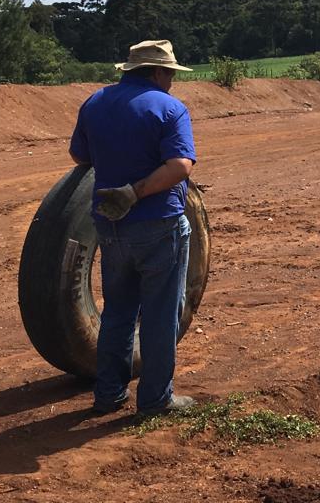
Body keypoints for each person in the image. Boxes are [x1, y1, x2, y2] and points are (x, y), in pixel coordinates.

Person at [69, 39, 197, 417]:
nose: (172, 81)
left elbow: (79, 154)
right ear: (158, 72)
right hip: (159, 223)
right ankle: (156, 399)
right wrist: (136, 190)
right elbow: (180, 166)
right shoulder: (171, 108)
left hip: (110, 227)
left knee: (118, 311)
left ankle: (109, 393)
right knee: (160, 314)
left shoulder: (95, 102)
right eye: (170, 74)